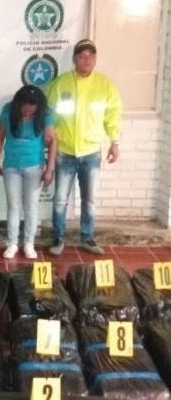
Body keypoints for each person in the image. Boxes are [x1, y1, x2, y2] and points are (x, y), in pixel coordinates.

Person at [47, 39, 122, 256]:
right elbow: (49, 113)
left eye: (90, 56)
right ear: (75, 59)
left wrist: (114, 142)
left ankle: (87, 238)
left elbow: (113, 116)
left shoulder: (105, 86)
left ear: (95, 59)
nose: (86, 60)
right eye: (82, 56)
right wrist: (49, 131)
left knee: (89, 200)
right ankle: (58, 239)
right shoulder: (60, 83)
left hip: (91, 154)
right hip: (64, 152)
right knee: (60, 199)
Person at [0, 85, 56, 259]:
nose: (27, 113)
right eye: (25, 110)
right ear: (18, 104)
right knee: (13, 206)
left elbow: (52, 141)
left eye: (31, 111)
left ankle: (29, 243)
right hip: (11, 166)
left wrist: (49, 169)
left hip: (34, 167)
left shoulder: (45, 114)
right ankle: (12, 243)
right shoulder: (8, 110)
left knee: (31, 206)